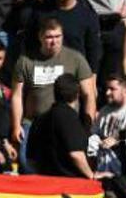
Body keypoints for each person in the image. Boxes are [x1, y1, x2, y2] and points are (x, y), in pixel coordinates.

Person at [11, 19, 97, 164]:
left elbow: (89, 94)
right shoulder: (25, 60)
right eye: (49, 37)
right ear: (40, 37)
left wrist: (87, 126)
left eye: (58, 37)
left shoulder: (76, 59)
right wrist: (16, 125)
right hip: (32, 122)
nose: (54, 41)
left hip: (65, 123)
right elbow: (17, 95)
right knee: (26, 162)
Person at [26, 73, 107, 179]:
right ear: (77, 95)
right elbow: (76, 154)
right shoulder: (69, 117)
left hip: (45, 182)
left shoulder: (40, 119)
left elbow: (31, 160)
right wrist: (91, 175)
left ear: (55, 93)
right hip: (69, 184)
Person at [35, 0, 101, 73]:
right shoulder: (44, 11)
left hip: (74, 70)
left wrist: (92, 75)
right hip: (46, 69)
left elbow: (93, 50)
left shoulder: (86, 15)